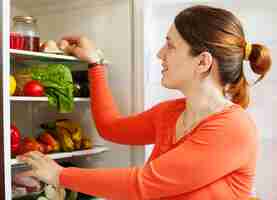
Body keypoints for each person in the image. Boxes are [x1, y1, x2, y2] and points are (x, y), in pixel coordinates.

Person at [17, 5, 271, 200]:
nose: (160, 54)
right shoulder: (171, 114)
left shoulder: (232, 128)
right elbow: (111, 127)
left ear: (202, 62)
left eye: (170, 46)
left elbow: (144, 183)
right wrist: (95, 63)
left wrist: (60, 175)